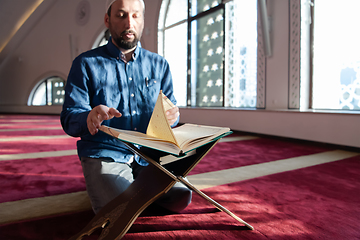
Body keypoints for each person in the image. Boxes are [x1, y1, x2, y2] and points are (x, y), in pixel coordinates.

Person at [60, 0, 192, 214]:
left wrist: (173, 116)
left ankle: (133, 190)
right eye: (121, 15)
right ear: (107, 20)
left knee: (182, 196)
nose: (128, 22)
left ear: (142, 20)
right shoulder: (85, 64)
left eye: (135, 15)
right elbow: (69, 118)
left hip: (149, 155)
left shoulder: (160, 65)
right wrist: (89, 117)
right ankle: (120, 189)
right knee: (120, 209)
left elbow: (170, 109)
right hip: (106, 152)